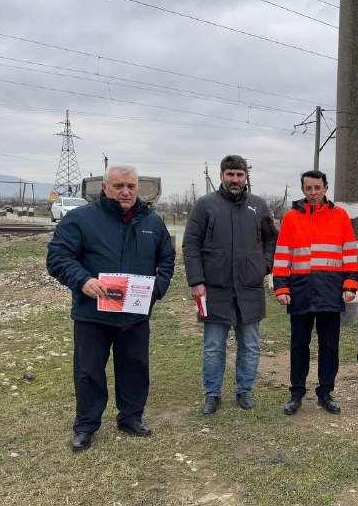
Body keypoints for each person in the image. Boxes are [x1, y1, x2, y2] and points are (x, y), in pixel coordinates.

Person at [47, 164, 175, 452]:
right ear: (105, 188)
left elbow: (166, 261)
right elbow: (58, 257)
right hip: (93, 314)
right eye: (118, 186)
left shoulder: (152, 222)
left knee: (135, 368)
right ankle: (86, 426)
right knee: (89, 371)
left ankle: (130, 417)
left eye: (130, 186)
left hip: (134, 313)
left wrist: (155, 290)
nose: (125, 191)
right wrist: (83, 280)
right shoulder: (81, 219)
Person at [182, 155, 278, 415]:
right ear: (221, 175)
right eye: (230, 174)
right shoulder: (205, 205)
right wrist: (197, 281)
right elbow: (191, 244)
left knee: (250, 344)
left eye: (240, 174)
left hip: (249, 288)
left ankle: (244, 389)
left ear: (246, 176)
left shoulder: (258, 206)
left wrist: (265, 265)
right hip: (215, 289)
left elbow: (272, 240)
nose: (235, 179)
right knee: (213, 346)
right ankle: (212, 393)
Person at [273, 170, 358, 415]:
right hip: (300, 291)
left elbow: (350, 254)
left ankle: (325, 392)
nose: (313, 193)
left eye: (317, 188)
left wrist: (350, 285)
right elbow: (282, 255)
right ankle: (296, 393)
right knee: (299, 344)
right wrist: (281, 287)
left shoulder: (340, 216)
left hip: (331, 292)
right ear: (302, 190)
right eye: (308, 188)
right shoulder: (291, 218)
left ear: (325, 188)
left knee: (329, 345)